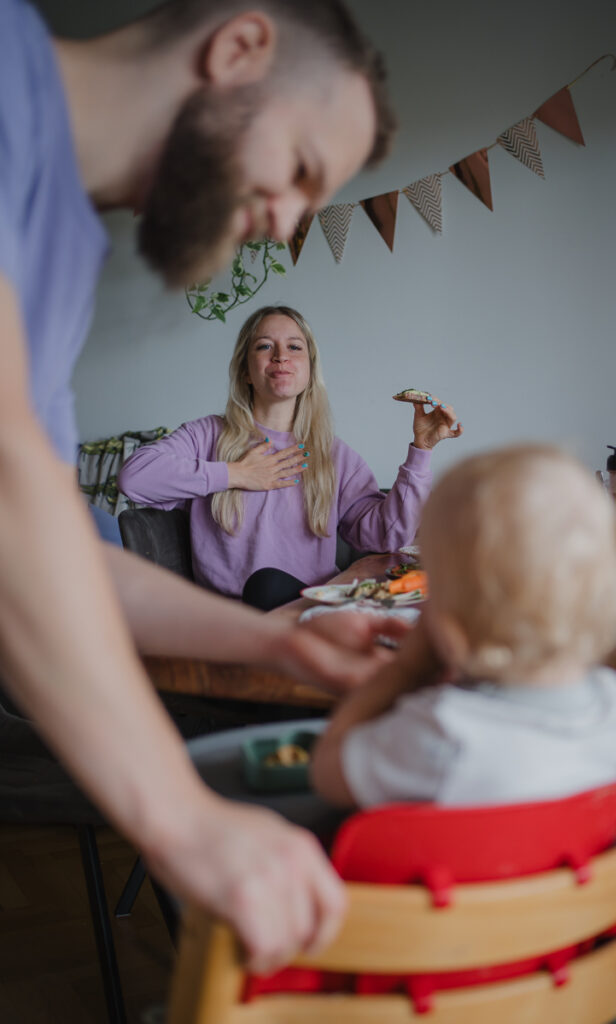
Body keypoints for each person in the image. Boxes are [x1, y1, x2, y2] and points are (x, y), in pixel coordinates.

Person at [0, 0, 399, 973]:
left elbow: (63, 547)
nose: (288, 218)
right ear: (236, 47)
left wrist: (277, 643)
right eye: (301, 167)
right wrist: (184, 822)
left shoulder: (66, 248)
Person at [311, 444, 616, 809]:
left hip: (433, 867)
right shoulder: (613, 705)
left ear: (450, 626)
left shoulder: (441, 734)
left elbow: (326, 771)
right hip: (561, 865)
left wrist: (405, 669)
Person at [118, 305, 463, 609]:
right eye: (265, 346)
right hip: (230, 621)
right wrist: (236, 474)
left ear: (310, 370)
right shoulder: (207, 435)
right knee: (266, 587)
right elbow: (135, 478)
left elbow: (388, 536)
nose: (281, 356)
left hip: (308, 613)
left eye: (294, 347)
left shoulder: (335, 456)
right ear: (244, 371)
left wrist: (421, 450)